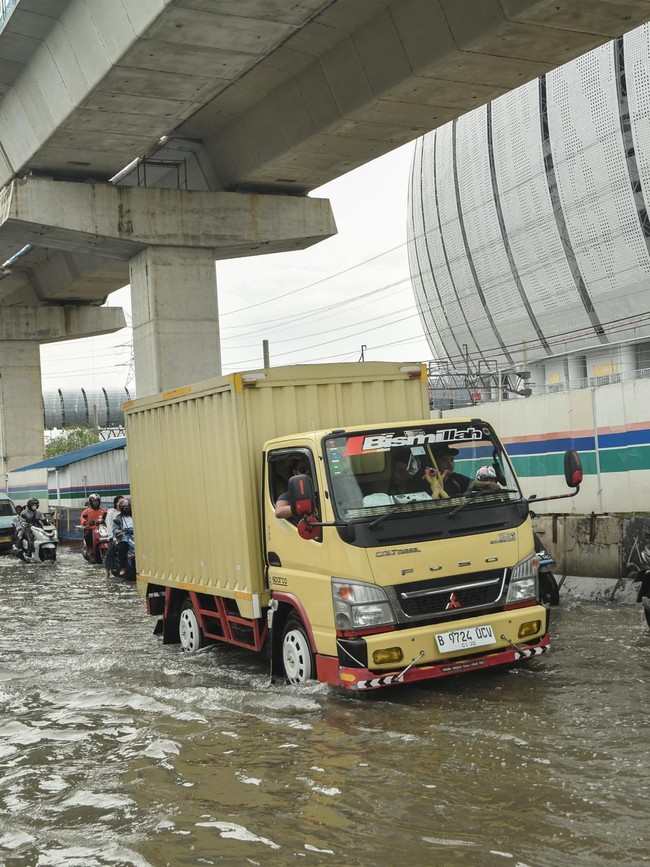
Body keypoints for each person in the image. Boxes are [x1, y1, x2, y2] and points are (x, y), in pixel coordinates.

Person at [429, 445, 500, 497]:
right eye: (443, 461)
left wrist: (489, 484)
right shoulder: (426, 482)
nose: (450, 464)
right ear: (433, 463)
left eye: (451, 459)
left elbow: (476, 484)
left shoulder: (456, 478)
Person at [112, 497, 134, 576]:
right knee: (122, 547)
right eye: (125, 507)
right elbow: (114, 528)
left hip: (136, 537)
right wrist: (117, 531)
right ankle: (123, 567)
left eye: (128, 507)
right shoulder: (118, 518)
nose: (127, 509)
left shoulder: (135, 516)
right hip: (125, 537)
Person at [104, 495, 122, 577]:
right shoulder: (111, 513)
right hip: (114, 537)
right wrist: (114, 537)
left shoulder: (125, 512)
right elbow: (109, 526)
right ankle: (107, 569)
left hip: (125, 535)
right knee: (110, 550)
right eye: (120, 502)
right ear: (116, 503)